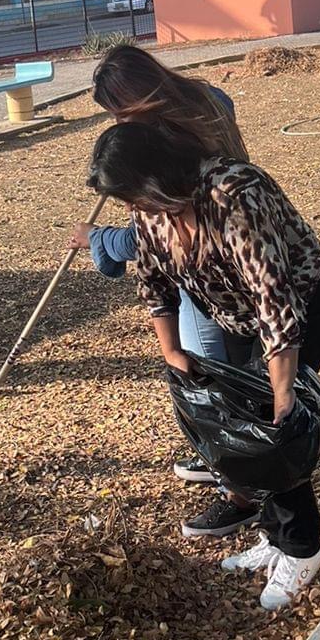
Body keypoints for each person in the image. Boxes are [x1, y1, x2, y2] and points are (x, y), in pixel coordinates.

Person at [87, 123, 320, 609]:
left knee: (275, 427)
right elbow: (153, 283)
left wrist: (283, 389)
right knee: (243, 425)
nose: (132, 208)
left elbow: (274, 297)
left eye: (133, 195)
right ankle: (275, 537)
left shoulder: (234, 193)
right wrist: (172, 351)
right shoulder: (150, 211)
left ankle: (303, 548)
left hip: (300, 304)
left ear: (156, 174)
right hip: (237, 317)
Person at [70, 46, 246, 510]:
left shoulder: (170, 142)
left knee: (207, 374)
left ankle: (236, 484)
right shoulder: (208, 99)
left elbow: (154, 237)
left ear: (138, 101)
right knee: (212, 370)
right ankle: (222, 459)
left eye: (119, 112)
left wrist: (99, 238)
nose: (118, 122)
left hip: (205, 274)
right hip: (217, 266)